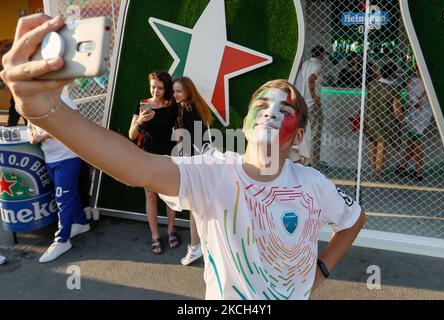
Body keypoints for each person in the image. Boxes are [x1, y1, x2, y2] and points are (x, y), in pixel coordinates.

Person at [1, 14, 366, 299]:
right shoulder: (214, 171)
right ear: (246, 122)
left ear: (299, 135)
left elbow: (353, 219)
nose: (271, 111)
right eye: (262, 104)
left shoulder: (314, 185)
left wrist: (321, 272)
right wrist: (43, 110)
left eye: (285, 110)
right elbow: (135, 166)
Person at [28, 96, 90, 263]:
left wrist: (44, 137)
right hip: (50, 158)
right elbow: (32, 126)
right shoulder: (32, 102)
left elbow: (72, 126)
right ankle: (81, 222)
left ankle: (62, 240)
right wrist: (33, 134)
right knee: (67, 195)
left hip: (67, 157)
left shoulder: (64, 102)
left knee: (63, 198)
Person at [128, 71, 179, 254]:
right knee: (151, 197)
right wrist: (140, 120)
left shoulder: (172, 106)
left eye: (160, 87)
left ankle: (171, 230)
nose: (155, 91)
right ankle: (155, 236)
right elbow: (131, 135)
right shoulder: (142, 105)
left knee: (170, 196)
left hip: (168, 156)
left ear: (166, 88)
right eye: (153, 86)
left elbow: (179, 132)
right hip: (147, 156)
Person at [172, 76, 213, 266]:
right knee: (199, 206)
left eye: (178, 91)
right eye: (173, 91)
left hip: (194, 163)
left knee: (194, 207)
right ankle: (201, 245)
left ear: (188, 91)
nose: (175, 95)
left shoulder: (183, 109)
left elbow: (184, 141)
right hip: (204, 160)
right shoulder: (196, 106)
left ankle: (196, 247)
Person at [364, 62, 403, 176]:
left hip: (370, 118)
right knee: (382, 143)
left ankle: (374, 168)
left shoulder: (372, 84)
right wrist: (401, 119)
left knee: (373, 142)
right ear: (393, 74)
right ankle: (378, 170)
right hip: (386, 121)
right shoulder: (394, 89)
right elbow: (397, 110)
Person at [397, 65, 433, 181]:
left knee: (416, 144)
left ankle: (419, 171)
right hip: (421, 115)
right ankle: (403, 165)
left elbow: (412, 99)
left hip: (417, 116)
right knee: (411, 142)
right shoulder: (426, 81)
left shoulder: (415, 81)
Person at [296, 45, 326, 168]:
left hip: (302, 102)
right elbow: (311, 79)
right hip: (313, 104)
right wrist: (314, 95)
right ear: (321, 54)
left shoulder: (305, 64)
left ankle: (303, 159)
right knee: (315, 133)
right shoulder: (318, 65)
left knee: (303, 132)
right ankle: (314, 162)